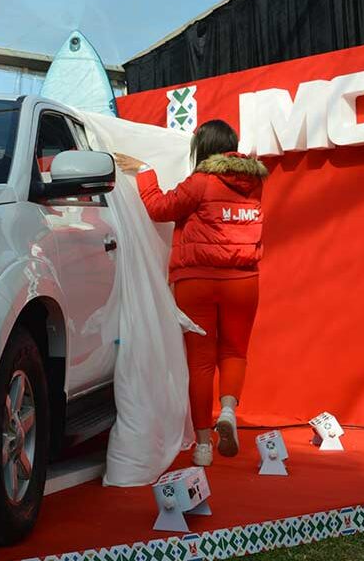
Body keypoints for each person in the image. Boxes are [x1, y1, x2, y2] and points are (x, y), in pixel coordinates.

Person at [115, 120, 267, 467]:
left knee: (200, 361)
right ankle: (228, 410)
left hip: (196, 280)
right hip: (244, 282)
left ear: (202, 146)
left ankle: (202, 445)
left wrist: (144, 171)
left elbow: (159, 208)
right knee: (234, 351)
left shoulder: (201, 182)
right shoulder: (255, 184)